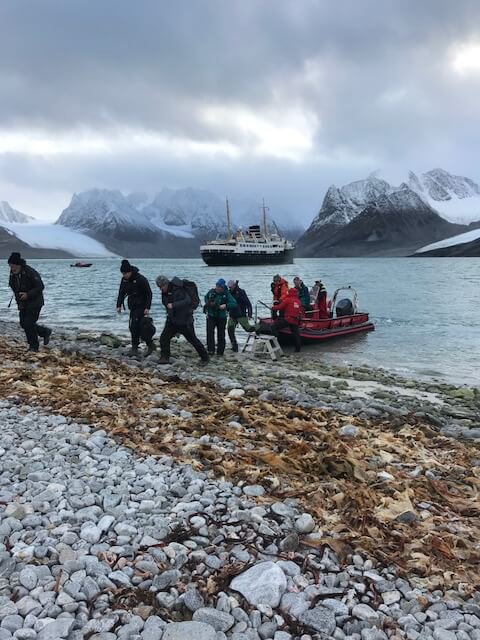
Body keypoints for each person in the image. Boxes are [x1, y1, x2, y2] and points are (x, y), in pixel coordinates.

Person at [156, 275, 209, 365]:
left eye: (162, 286)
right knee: (164, 338)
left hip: (185, 320)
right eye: (159, 287)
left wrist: (173, 305)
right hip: (172, 320)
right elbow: (165, 303)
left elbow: (187, 301)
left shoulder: (178, 289)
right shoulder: (165, 292)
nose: (161, 289)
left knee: (193, 340)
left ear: (166, 283)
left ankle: (205, 358)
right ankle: (164, 357)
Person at [8, 252, 52, 353]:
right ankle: (45, 332)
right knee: (23, 324)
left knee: (28, 323)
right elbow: (13, 287)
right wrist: (18, 301)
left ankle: (34, 347)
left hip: (35, 302)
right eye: (10, 266)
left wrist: (28, 294)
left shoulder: (30, 272)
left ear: (18, 264)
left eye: (13, 266)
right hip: (23, 303)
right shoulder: (13, 273)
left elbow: (40, 286)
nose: (11, 268)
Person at [116, 259, 154, 356]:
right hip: (132, 306)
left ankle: (135, 348)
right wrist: (119, 305)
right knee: (133, 327)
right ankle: (148, 345)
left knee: (136, 326)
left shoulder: (141, 279)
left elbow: (149, 293)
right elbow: (121, 292)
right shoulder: (124, 280)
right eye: (122, 273)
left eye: (125, 273)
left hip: (141, 306)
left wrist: (147, 307)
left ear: (130, 272)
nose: (124, 275)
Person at [204, 278, 237, 356]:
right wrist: (209, 303)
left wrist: (226, 305)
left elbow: (234, 303)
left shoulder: (226, 294)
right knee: (210, 333)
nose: (218, 288)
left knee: (221, 334)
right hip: (211, 315)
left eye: (220, 287)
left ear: (223, 287)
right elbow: (205, 297)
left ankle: (220, 351)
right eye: (217, 286)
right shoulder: (211, 292)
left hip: (221, 317)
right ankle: (210, 350)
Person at [226, 279, 255, 352]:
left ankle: (259, 328)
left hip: (241, 314)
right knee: (230, 329)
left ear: (234, 285)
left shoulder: (241, 292)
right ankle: (234, 346)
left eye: (231, 287)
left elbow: (248, 304)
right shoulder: (228, 293)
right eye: (229, 287)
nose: (230, 289)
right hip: (232, 315)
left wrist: (250, 314)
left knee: (248, 329)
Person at [271, 287, 302, 352]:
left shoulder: (288, 300)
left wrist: (273, 308)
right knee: (296, 335)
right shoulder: (299, 301)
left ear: (290, 293)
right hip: (295, 320)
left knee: (273, 326)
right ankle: (298, 350)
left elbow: (280, 307)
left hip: (288, 319)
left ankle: (277, 342)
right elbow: (300, 312)